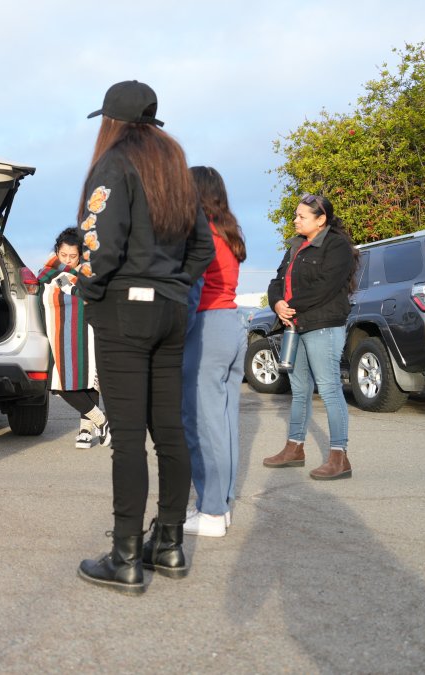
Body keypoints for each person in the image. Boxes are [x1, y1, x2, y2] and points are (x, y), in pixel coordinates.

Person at [74, 80, 214, 594]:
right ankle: (169, 545)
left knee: (128, 437)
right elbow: (202, 247)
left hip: (123, 312)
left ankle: (126, 556)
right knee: (169, 431)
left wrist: (89, 289)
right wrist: (174, 283)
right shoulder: (175, 169)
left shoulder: (112, 165)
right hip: (172, 310)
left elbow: (99, 245)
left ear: (111, 120)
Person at [262, 194, 358, 480]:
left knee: (329, 388)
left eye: (302, 216)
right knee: (299, 388)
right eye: (296, 215)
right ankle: (294, 448)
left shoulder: (337, 246)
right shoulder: (295, 246)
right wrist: (277, 303)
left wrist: (291, 306)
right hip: (296, 324)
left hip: (323, 324)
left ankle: (340, 457)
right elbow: (276, 281)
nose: (296, 220)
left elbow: (327, 287)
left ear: (321, 220)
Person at [181, 166, 247, 538]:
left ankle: (210, 512)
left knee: (202, 424)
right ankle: (220, 506)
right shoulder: (230, 230)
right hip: (232, 324)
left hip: (206, 327)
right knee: (225, 423)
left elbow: (192, 286)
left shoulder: (198, 230)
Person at [36, 228, 108, 449]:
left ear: (82, 254)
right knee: (60, 383)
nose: (67, 260)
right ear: (57, 251)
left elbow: (94, 295)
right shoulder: (47, 272)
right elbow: (59, 292)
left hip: (88, 330)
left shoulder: (90, 273)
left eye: (72, 256)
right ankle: (102, 422)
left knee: (88, 377)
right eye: (63, 255)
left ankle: (86, 430)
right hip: (59, 331)